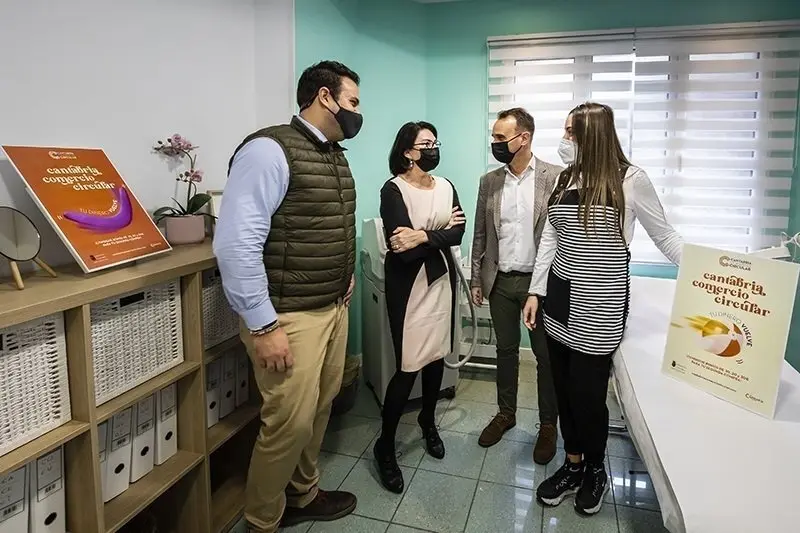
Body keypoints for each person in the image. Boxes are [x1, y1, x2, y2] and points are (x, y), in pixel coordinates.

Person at [213, 60, 362, 533]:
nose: (358, 112)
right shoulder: (268, 150)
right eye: (353, 102)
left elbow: (320, 227)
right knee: (288, 424)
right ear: (324, 97)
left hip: (330, 306)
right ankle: (261, 519)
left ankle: (303, 493)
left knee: (319, 407)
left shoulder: (332, 154)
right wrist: (263, 324)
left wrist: (345, 278)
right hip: (288, 317)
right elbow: (236, 243)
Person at [523, 102, 683, 516]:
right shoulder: (564, 179)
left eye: (570, 133)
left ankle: (596, 470)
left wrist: (717, 273)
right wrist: (535, 292)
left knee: (588, 397)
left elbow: (666, 238)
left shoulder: (631, 180)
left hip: (600, 304)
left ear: (591, 135)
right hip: (558, 301)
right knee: (562, 390)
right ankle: (572, 465)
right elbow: (549, 240)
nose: (563, 140)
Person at [373, 121, 466, 493]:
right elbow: (400, 246)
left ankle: (428, 422)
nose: (432, 148)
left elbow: (458, 231)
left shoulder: (446, 186)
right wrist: (437, 233)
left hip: (441, 280)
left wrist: (424, 234)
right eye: (425, 143)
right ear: (408, 151)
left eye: (434, 142)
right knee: (409, 364)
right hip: (409, 285)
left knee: (435, 357)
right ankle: (385, 445)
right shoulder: (392, 189)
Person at [470, 107, 563, 464]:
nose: (494, 143)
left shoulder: (556, 177)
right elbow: (481, 232)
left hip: (542, 286)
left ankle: (548, 425)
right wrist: (478, 278)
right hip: (501, 283)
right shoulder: (490, 181)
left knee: (545, 358)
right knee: (505, 351)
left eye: (499, 137)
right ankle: (505, 414)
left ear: (522, 138)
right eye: (493, 136)